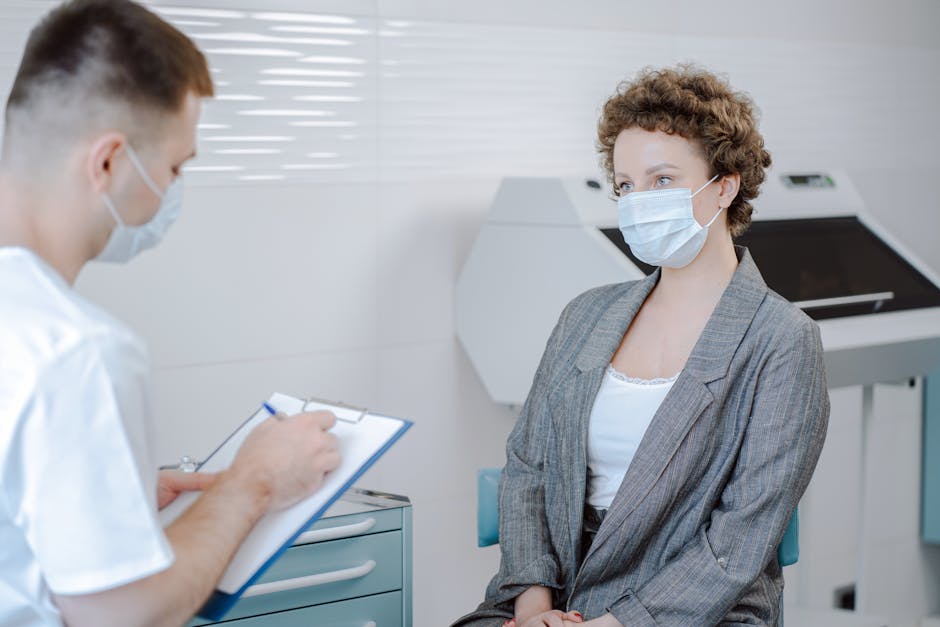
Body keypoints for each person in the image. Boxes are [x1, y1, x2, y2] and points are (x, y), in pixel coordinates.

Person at [0, 1, 341, 625]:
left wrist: (107, 505)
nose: (171, 189)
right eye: (174, 167)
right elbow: (127, 616)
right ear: (106, 161)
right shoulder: (76, 349)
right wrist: (254, 481)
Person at [454, 66, 830, 627]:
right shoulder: (586, 315)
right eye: (626, 185)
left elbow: (739, 539)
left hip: (697, 608)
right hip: (558, 591)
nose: (637, 201)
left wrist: (615, 624)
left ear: (724, 185)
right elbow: (528, 468)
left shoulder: (781, 339)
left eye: (661, 180)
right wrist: (533, 605)